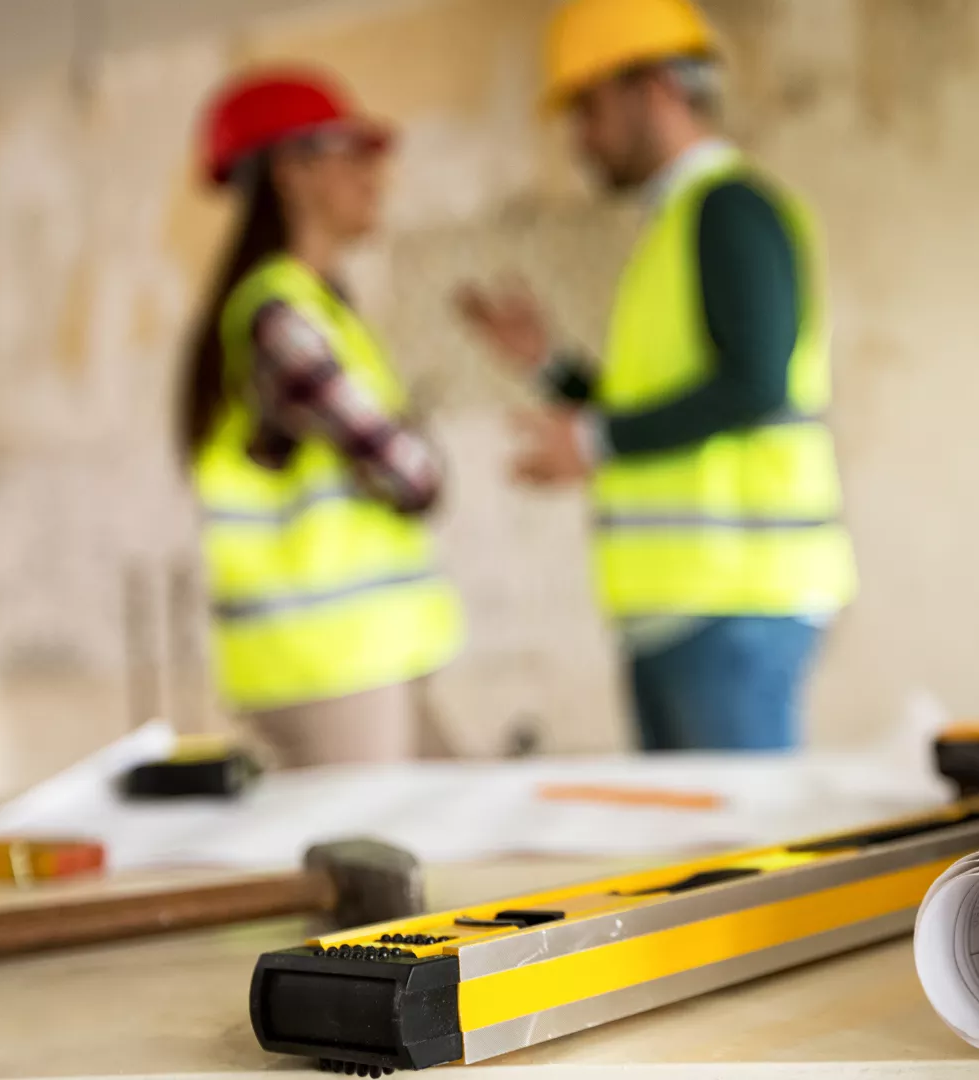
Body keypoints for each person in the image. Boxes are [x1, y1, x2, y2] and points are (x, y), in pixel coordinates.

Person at [455, 0, 856, 752]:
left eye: (590, 107)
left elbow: (754, 385)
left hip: (735, 599)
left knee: (745, 860)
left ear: (659, 88)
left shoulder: (731, 211)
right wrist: (551, 367)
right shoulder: (676, 225)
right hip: (687, 603)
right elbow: (662, 403)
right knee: (703, 862)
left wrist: (595, 441)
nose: (581, 138)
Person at [179, 69, 465, 767]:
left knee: (470, 830)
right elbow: (412, 476)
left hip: (359, 657)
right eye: (351, 153)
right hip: (328, 664)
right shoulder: (285, 317)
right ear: (292, 169)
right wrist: (416, 440)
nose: (376, 176)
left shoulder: (316, 307)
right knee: (390, 861)